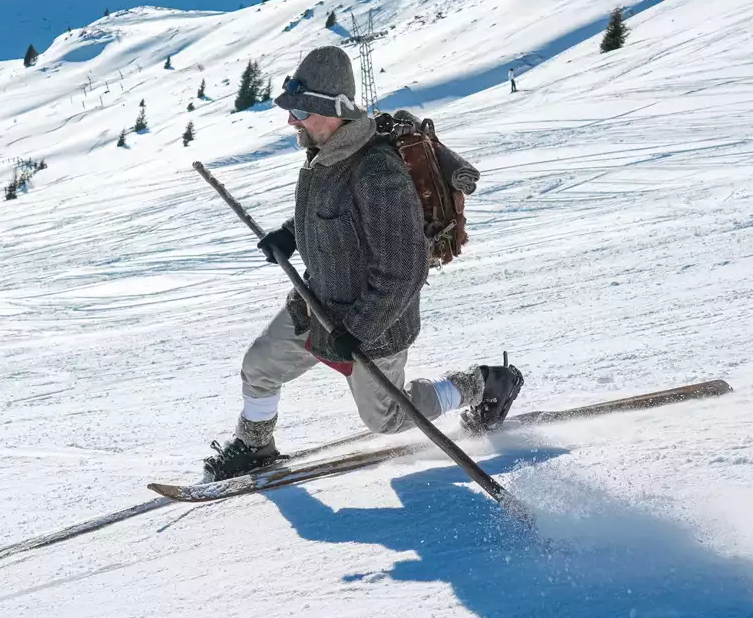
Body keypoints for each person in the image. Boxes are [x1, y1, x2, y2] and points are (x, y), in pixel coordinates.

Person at [201, 47, 524, 480]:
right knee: (260, 365)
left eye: (300, 110)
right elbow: (332, 214)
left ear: (334, 109)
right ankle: (255, 444)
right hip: (318, 304)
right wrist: (290, 232)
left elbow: (404, 269)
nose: (291, 121)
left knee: (387, 419)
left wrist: (357, 330)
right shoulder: (322, 152)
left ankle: (484, 385)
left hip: (376, 323)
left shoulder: (377, 170)